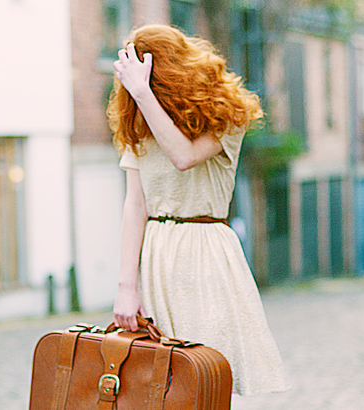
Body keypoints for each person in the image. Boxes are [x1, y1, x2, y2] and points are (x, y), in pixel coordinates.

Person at [107, 23, 289, 396]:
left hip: (204, 250)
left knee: (205, 375)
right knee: (161, 380)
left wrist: (142, 93)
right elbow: (135, 204)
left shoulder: (227, 113)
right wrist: (126, 286)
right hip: (156, 253)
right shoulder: (139, 120)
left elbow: (183, 156)